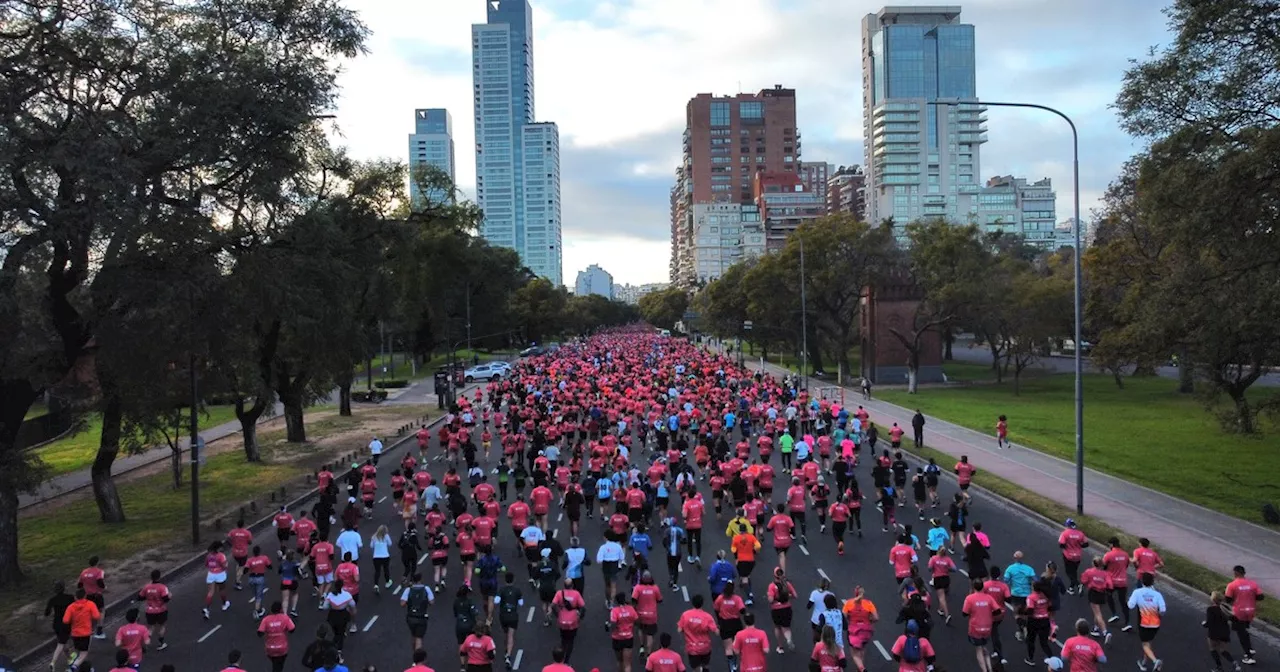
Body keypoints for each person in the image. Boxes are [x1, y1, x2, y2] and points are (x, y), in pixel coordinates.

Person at [1127, 573, 1166, 671]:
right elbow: (1163, 610)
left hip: (1143, 623)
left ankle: (1154, 660)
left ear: (1142, 581)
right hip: (1155, 623)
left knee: (1144, 644)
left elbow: (1130, 605)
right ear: (1152, 582)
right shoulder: (1157, 594)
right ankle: (1144, 662)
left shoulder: (1137, 592)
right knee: (1149, 642)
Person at [1224, 564, 1262, 665]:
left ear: (1235, 573)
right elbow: (1260, 597)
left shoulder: (1232, 585)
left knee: (1241, 634)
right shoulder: (1253, 584)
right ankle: (1249, 648)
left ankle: (1248, 655)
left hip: (1239, 612)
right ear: (1244, 573)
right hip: (1250, 611)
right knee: (1244, 630)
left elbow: (1228, 599)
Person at [961, 579, 999, 672]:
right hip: (987, 627)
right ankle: (990, 668)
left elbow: (964, 613)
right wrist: (989, 615)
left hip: (975, 628)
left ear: (974, 587)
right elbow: (997, 610)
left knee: (979, 650)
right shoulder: (989, 598)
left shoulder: (969, 598)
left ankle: (984, 670)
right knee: (984, 647)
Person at [62, 588, 100, 672]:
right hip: (86, 633)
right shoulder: (90, 604)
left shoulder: (70, 607)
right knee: (84, 653)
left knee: (78, 652)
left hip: (75, 634)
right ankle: (74, 667)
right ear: (85, 596)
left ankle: (82, 667)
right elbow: (97, 616)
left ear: (75, 597)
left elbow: (65, 620)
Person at [678, 594, 716, 672]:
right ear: (702, 603)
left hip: (692, 648)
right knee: (706, 665)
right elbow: (715, 631)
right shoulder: (707, 617)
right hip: (705, 647)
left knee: (696, 668)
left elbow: (679, 630)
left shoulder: (685, 615)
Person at [1205, 591, 1241, 672]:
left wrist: (1204, 624)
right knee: (1223, 650)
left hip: (1214, 632)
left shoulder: (1210, 609)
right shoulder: (1226, 608)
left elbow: (1209, 622)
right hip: (1225, 631)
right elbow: (1234, 618)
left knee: (1212, 648)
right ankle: (1234, 662)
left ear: (1213, 599)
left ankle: (1219, 667)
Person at [552, 579, 586, 663]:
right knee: (570, 641)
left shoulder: (559, 593)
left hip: (562, 620)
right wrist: (580, 616)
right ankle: (566, 660)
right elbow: (583, 607)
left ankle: (561, 658)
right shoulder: (576, 594)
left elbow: (553, 605)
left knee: (563, 640)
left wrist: (557, 614)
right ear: (572, 585)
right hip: (573, 621)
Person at [400, 573, 435, 654]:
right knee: (419, 638)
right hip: (421, 617)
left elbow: (402, 604)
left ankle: (414, 654)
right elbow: (432, 602)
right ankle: (417, 659)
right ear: (420, 579)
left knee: (414, 636)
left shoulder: (408, 590)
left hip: (411, 617)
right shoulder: (426, 589)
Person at [257, 601, 296, 672]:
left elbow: (260, 633)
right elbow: (292, 629)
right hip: (282, 648)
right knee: (279, 665)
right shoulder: (285, 618)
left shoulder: (266, 620)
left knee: (275, 663)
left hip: (270, 648)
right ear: (280, 609)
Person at [765, 568, 796, 653]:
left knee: (777, 627)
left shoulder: (771, 586)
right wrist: (789, 596)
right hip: (787, 608)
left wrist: (770, 596)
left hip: (776, 609)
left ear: (774, 575)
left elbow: (770, 600)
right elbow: (795, 595)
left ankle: (780, 646)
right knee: (786, 627)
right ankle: (788, 639)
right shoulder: (787, 584)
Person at [46, 580, 75, 670]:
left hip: (56, 623)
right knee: (61, 643)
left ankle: (70, 658)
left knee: (63, 640)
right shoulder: (70, 597)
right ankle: (53, 662)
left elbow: (47, 613)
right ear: (64, 588)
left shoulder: (52, 600)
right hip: (66, 623)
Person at [77, 556, 107, 640]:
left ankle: (87, 630)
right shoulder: (99, 571)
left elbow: (79, 584)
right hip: (97, 595)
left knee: (88, 612)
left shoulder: (84, 572)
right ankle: (99, 631)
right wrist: (104, 588)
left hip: (88, 596)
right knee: (101, 611)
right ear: (97, 563)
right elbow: (100, 581)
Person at [324, 579, 357, 652]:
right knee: (340, 634)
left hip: (332, 616)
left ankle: (335, 644)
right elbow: (353, 604)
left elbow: (325, 607)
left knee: (336, 632)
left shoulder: (330, 595)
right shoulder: (347, 595)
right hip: (343, 615)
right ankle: (338, 649)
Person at [609, 592, 639, 672]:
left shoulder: (614, 611)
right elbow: (636, 621)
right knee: (627, 663)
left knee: (620, 661)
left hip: (617, 638)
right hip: (628, 637)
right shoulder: (631, 609)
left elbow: (613, 625)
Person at [1058, 519, 1088, 595]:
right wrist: (1078, 546)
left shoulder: (1065, 533)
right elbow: (1086, 544)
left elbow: (1061, 544)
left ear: (1067, 525)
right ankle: (1071, 588)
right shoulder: (1080, 533)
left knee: (1069, 572)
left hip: (1068, 556)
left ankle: (1078, 585)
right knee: (1074, 572)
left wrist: (1068, 546)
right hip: (1078, 556)